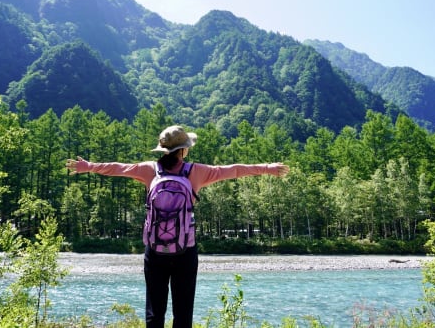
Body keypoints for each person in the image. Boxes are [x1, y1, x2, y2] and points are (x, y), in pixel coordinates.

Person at [65, 125, 289, 328]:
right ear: (183, 150)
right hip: (185, 250)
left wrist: (88, 167)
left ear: (162, 150)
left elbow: (118, 168)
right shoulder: (196, 172)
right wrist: (267, 168)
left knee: (155, 312)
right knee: (183, 314)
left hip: (154, 250)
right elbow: (234, 170)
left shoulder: (149, 170)